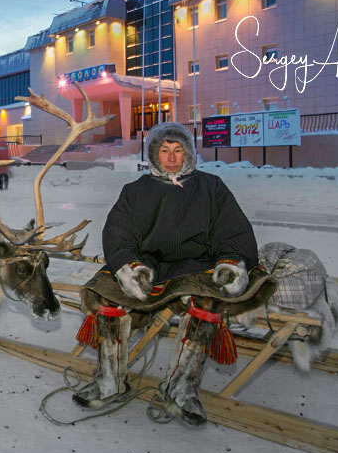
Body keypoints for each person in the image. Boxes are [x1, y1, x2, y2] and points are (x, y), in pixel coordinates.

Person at [73, 122, 266, 426]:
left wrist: (231, 261)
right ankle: (109, 380)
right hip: (147, 264)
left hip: (196, 264)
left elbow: (232, 230)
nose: (172, 158)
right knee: (109, 297)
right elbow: (118, 234)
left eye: (178, 150)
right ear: (154, 153)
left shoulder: (211, 187)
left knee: (206, 306)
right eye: (164, 150)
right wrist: (128, 265)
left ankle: (181, 388)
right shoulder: (135, 191)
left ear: (188, 153)